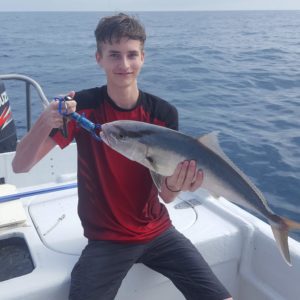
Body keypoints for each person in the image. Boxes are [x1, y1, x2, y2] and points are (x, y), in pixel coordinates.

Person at [12, 13, 232, 300]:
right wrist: (44, 120)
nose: (124, 64)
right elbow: (21, 165)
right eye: (114, 55)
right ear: (99, 58)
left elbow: (166, 195)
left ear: (143, 57)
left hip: (159, 232)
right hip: (106, 240)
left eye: (131, 55)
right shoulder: (82, 108)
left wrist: (178, 184)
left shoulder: (162, 114)